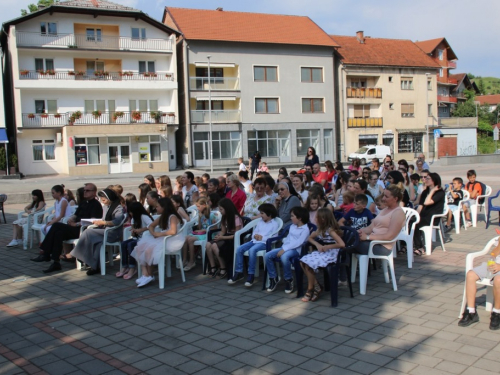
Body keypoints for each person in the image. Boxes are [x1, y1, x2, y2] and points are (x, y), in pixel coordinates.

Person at [31, 183, 104, 268]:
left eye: (87, 190)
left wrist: (76, 224)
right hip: (74, 228)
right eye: (84, 190)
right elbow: (76, 215)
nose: (85, 192)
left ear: (94, 192)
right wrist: (71, 219)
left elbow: (93, 221)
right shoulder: (83, 203)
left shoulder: (96, 205)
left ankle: (45, 253)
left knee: (56, 225)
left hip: (83, 230)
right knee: (58, 233)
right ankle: (56, 262)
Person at [70, 189, 125, 275]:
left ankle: (78, 254)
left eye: (104, 200)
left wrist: (103, 223)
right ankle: (95, 266)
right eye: (102, 200)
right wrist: (98, 222)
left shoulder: (118, 207)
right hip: (104, 230)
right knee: (97, 242)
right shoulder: (105, 207)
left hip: (112, 233)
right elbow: (103, 219)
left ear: (110, 198)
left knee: (88, 232)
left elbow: (117, 221)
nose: (103, 202)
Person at [131, 198, 182, 288]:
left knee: (149, 249)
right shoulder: (162, 217)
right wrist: (153, 233)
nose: (156, 209)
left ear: (164, 207)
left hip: (171, 240)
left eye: (157, 207)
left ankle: (150, 275)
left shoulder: (172, 216)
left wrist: (159, 234)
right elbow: (151, 226)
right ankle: (145, 274)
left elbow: (173, 231)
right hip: (162, 238)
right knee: (139, 247)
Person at [228, 203, 279, 287]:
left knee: (252, 250)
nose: (260, 215)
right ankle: (239, 272)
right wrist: (255, 236)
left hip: (264, 243)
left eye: (262, 213)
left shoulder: (274, 224)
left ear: (269, 214)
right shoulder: (260, 222)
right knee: (239, 249)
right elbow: (255, 232)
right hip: (254, 241)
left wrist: (261, 238)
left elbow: (274, 237)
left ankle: (251, 274)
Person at [300, 208, 345, 302]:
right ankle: (316, 286)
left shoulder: (330, 230)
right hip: (323, 252)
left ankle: (310, 289)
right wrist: (318, 244)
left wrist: (328, 246)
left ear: (323, 219)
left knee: (308, 265)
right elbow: (310, 238)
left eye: (317, 217)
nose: (315, 219)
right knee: (302, 261)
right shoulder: (320, 229)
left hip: (332, 253)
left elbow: (342, 244)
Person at [265, 206, 310, 293]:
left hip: (296, 250)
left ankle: (288, 279)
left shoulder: (305, 229)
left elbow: (298, 243)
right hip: (285, 248)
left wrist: (284, 249)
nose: (291, 218)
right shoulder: (293, 226)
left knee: (284, 257)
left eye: (293, 216)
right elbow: (289, 238)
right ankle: (273, 277)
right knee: (267, 255)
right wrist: (284, 245)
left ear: (300, 218)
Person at [458, 240, 500, 330]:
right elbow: (493, 254)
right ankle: (471, 312)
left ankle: (496, 313)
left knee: (498, 280)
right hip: (495, 265)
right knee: (470, 275)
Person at [356, 185, 406, 258]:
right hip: (373, 242)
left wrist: (367, 237)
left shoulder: (398, 213)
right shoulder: (385, 210)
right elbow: (370, 228)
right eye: (383, 196)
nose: (383, 199)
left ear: (395, 199)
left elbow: (389, 236)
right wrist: (358, 231)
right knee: (347, 239)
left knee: (349, 244)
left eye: (386, 196)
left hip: (382, 247)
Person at [206, 198, 243, 279]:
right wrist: (219, 236)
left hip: (234, 239)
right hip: (226, 236)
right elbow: (223, 230)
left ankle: (223, 268)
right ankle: (213, 267)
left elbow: (237, 235)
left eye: (221, 209)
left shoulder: (236, 218)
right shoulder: (224, 217)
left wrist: (222, 237)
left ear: (227, 208)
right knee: (208, 244)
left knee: (214, 246)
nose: (220, 211)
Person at [116, 202, 153, 280]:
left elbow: (151, 225)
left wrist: (141, 230)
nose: (130, 213)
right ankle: (125, 266)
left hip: (146, 239)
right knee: (124, 244)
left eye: (131, 212)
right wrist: (133, 231)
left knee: (131, 245)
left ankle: (132, 268)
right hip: (137, 238)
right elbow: (133, 229)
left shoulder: (144, 216)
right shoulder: (134, 218)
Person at [413, 172, 445, 256]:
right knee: (411, 221)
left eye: (427, 179)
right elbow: (420, 206)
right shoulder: (424, 192)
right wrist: (416, 216)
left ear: (434, 180)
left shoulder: (440, 192)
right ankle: (409, 245)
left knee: (414, 224)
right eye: (424, 178)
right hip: (423, 216)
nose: (425, 180)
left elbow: (427, 202)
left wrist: (433, 190)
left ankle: (420, 247)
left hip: (432, 218)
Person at [182, 197, 217, 272]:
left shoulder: (211, 215)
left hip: (208, 234)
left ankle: (192, 261)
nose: (197, 208)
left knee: (191, 240)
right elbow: (200, 227)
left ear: (204, 205)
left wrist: (204, 230)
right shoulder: (201, 215)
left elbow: (215, 228)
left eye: (198, 206)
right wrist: (199, 217)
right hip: (201, 233)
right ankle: (185, 259)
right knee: (185, 238)